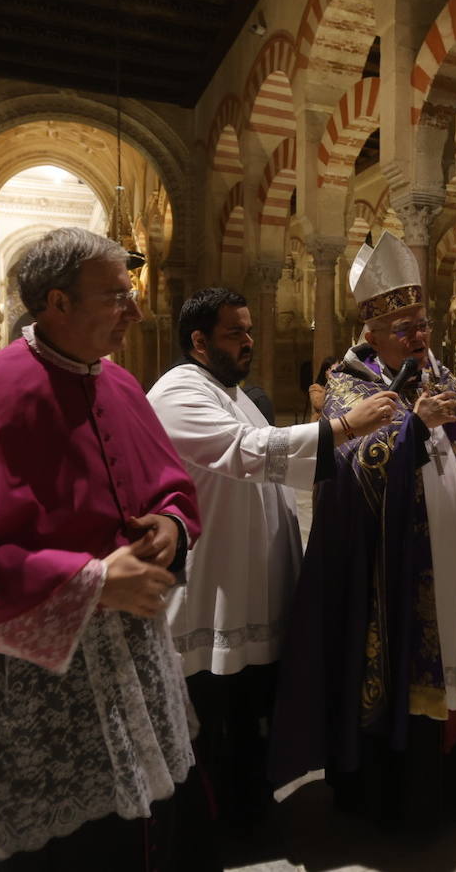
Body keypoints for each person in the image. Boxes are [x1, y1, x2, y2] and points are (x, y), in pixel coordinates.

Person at [0, 228, 218, 869]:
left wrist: (172, 524)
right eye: (116, 297)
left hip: (137, 655)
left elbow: (170, 487)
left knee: (151, 817)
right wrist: (88, 582)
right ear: (56, 302)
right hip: (36, 674)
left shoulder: (122, 386)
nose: (136, 313)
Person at [270, 231, 456, 825]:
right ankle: (391, 801)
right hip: (391, 572)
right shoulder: (346, 384)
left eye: (423, 325)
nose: (420, 337)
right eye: (405, 328)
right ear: (372, 333)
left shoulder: (442, 377)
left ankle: (452, 784)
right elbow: (352, 464)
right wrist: (411, 429)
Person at [147, 287, 397, 832]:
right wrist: (347, 426)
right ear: (198, 339)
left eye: (250, 330)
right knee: (213, 712)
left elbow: (272, 456)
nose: (250, 342)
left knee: (248, 711)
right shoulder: (176, 392)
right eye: (235, 332)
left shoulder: (227, 390)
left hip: (252, 581)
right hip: (215, 585)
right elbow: (245, 451)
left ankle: (247, 807)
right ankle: (210, 827)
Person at [308, 356, 336, 422]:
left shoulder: (341, 386)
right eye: (335, 371)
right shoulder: (315, 387)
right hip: (321, 423)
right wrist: (329, 383)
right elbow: (318, 405)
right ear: (326, 372)